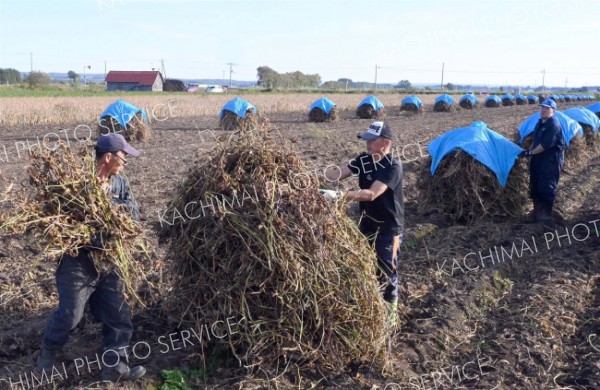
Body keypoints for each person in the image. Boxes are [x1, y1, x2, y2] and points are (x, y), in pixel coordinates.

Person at [36, 133, 146, 383]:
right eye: (123, 157)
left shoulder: (120, 184)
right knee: (70, 315)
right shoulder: (76, 184)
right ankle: (47, 355)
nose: (125, 162)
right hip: (79, 260)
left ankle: (115, 365)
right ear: (108, 157)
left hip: (109, 258)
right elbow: (57, 217)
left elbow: (135, 213)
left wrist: (115, 213)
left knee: (119, 313)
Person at [319, 121, 404, 317]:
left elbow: (371, 194)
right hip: (366, 223)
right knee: (365, 265)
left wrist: (338, 195)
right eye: (366, 139)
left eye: (371, 140)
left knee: (386, 272)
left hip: (388, 230)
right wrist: (308, 177)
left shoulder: (393, 167)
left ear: (385, 143)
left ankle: (389, 313)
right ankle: (370, 306)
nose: (366, 143)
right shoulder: (363, 160)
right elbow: (337, 174)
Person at [519, 98, 565, 223]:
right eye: (542, 108)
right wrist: (528, 150)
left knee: (546, 187)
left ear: (553, 111)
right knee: (535, 185)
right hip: (538, 159)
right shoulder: (540, 123)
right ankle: (537, 213)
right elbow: (536, 142)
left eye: (547, 108)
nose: (544, 110)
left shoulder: (553, 125)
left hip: (550, 161)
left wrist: (530, 153)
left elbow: (545, 145)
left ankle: (546, 216)